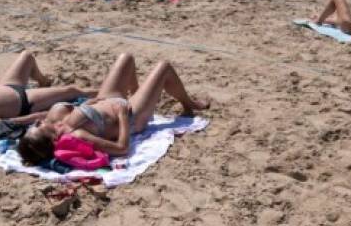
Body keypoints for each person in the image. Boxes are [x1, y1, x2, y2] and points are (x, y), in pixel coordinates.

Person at [18, 54, 209, 163]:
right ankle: (188, 104)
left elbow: (71, 112)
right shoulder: (75, 136)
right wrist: (123, 117)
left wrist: (85, 105)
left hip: (106, 101)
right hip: (131, 115)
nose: (35, 122)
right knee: (164, 67)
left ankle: (139, 93)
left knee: (126, 58)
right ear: (51, 139)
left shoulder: (52, 119)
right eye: (36, 128)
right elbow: (122, 148)